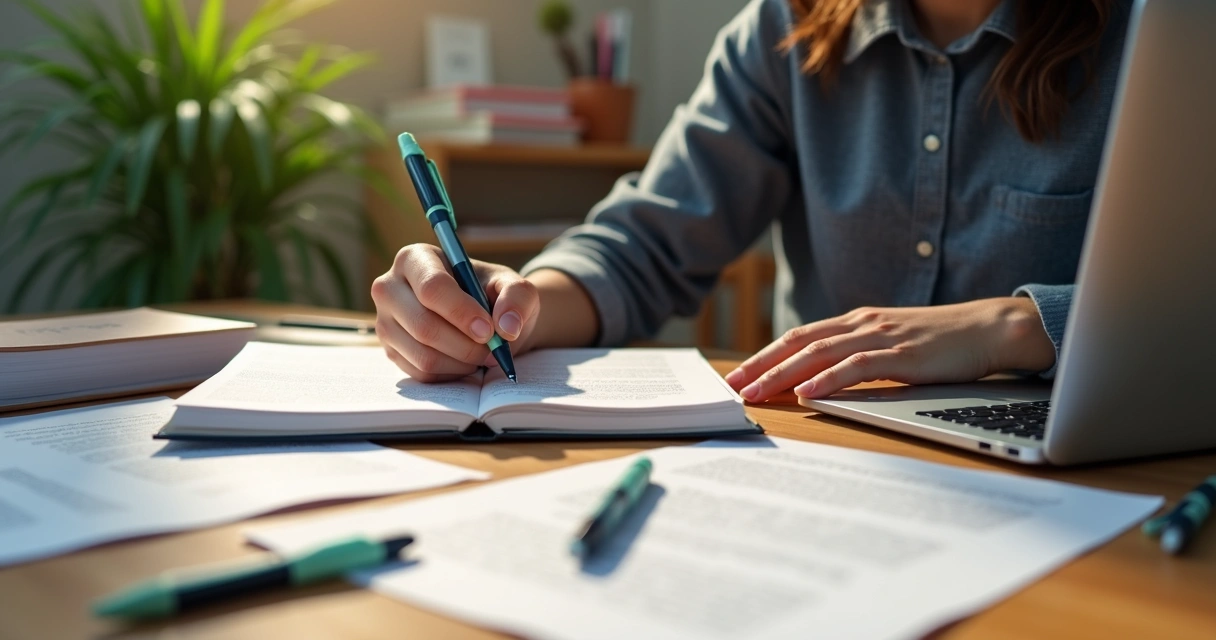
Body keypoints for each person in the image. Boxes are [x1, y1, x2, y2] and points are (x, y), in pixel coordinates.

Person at [371, 0, 1130, 403]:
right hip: (824, 447)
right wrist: (515, 306)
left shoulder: (1157, 35)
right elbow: (642, 248)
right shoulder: (784, 28)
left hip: (1078, 465)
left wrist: (1023, 324)